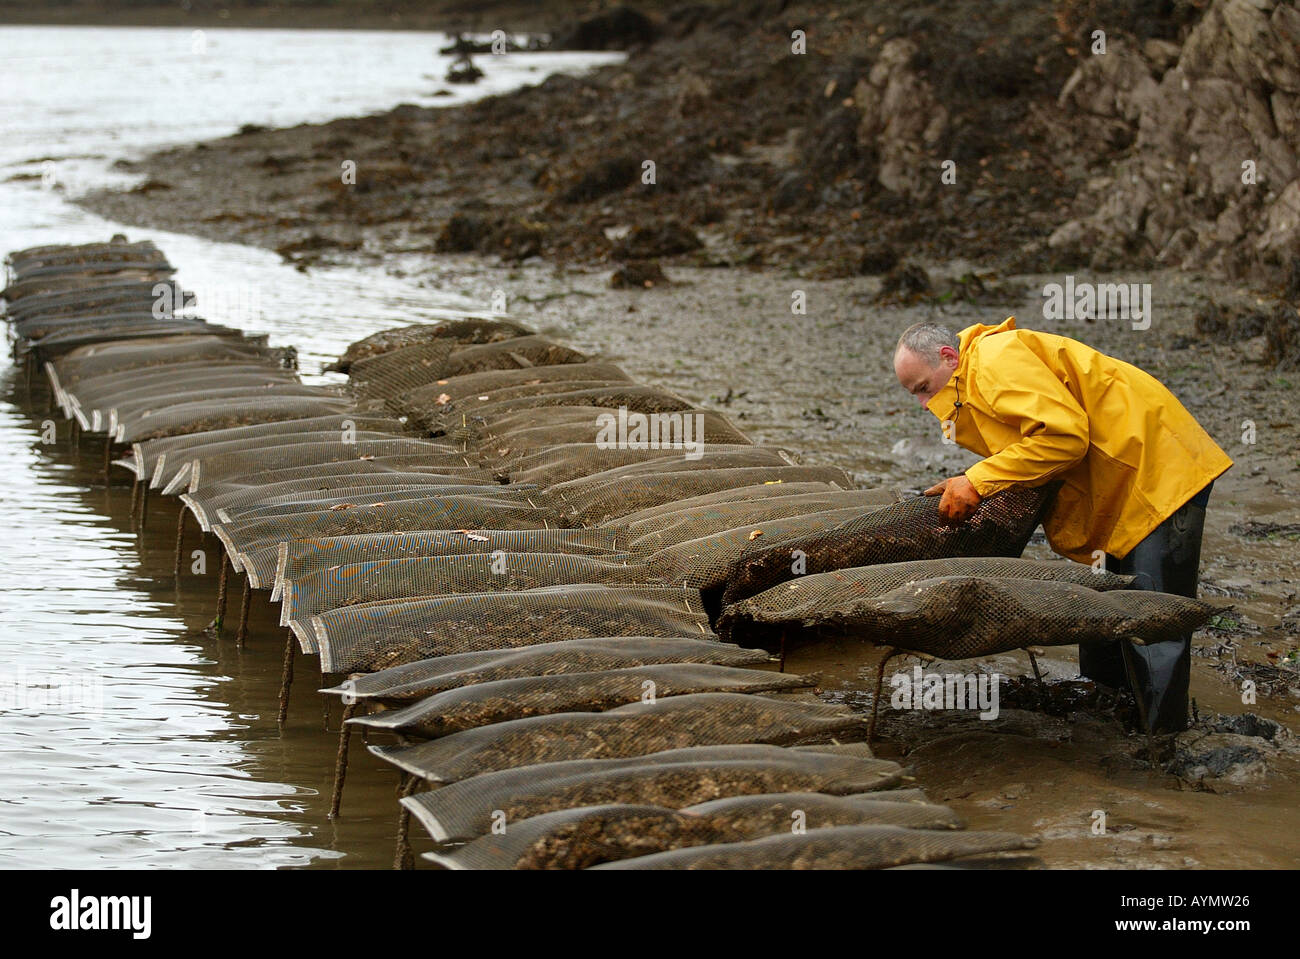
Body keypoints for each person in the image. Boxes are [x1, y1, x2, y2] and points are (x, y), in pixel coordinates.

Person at [892, 317, 1232, 734]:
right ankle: (1110, 718)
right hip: (1117, 486)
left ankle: (1164, 747)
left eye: (924, 388)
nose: (924, 403)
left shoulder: (995, 360)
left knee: (1152, 619)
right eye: (916, 395)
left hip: (1158, 471)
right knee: (1106, 614)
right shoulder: (970, 379)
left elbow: (1065, 438)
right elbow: (1028, 445)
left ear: (948, 357)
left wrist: (977, 480)